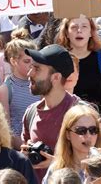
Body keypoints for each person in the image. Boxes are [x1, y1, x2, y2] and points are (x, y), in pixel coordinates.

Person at [21, 44, 78, 182]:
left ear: (56, 77)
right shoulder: (31, 112)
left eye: (37, 69)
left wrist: (56, 163)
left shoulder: (80, 113)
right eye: (31, 67)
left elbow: (95, 162)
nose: (29, 74)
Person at [56, 17, 101, 109]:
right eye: (74, 27)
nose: (79, 31)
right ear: (66, 33)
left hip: (94, 118)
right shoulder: (57, 60)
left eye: (84, 26)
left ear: (91, 32)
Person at [42, 104, 101, 182]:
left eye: (93, 130)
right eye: (81, 130)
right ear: (68, 134)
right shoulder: (56, 169)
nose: (88, 136)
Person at [0, 30, 40, 149]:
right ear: (13, 61)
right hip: (19, 150)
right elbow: (6, 129)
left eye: (34, 61)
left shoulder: (41, 83)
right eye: (26, 61)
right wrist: (26, 148)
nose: (31, 65)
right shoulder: (5, 89)